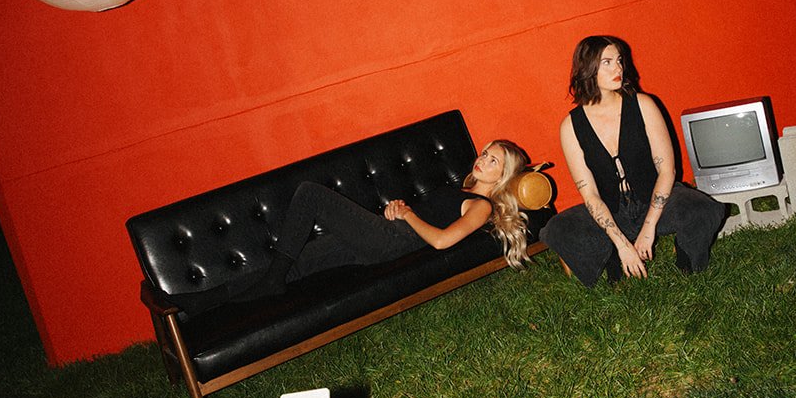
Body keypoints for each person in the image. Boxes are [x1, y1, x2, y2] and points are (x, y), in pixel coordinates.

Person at [179, 139, 535, 312]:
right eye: (485, 153)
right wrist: (400, 209)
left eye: (493, 161)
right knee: (296, 263)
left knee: (310, 195)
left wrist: (408, 215)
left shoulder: (481, 206)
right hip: (385, 237)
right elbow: (428, 219)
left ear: (502, 176)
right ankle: (200, 303)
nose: (483, 160)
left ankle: (272, 281)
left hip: (392, 241)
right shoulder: (461, 189)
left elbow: (442, 241)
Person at [541, 36, 727, 285]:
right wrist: (621, 243)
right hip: (611, 209)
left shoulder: (643, 105)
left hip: (655, 198)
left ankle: (687, 265)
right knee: (558, 228)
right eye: (606, 62)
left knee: (700, 208)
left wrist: (649, 230)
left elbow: (667, 171)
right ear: (587, 69)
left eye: (619, 60)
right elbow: (590, 195)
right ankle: (613, 264)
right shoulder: (571, 126)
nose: (617, 68)